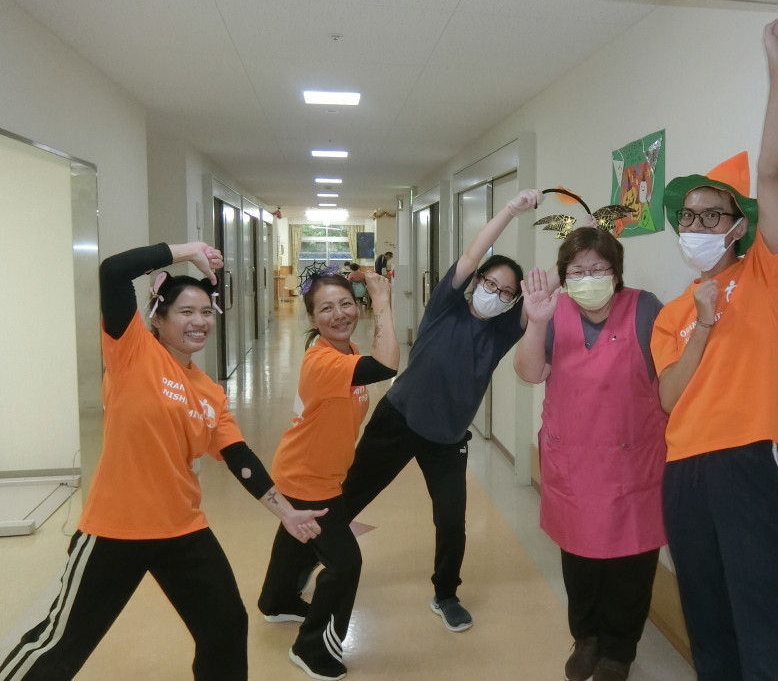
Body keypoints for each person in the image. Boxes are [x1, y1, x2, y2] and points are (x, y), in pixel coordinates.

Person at [0, 241, 326, 681]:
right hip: (116, 529)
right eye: (186, 311)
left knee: (226, 625)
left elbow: (239, 457)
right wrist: (189, 251)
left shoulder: (209, 391)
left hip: (182, 528)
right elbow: (113, 271)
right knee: (61, 645)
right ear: (157, 316)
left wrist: (286, 512)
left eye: (206, 312)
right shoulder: (132, 350)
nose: (199, 321)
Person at [650, 19, 778, 679]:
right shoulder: (674, 312)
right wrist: (706, 326)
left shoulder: (763, 273)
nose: (696, 224)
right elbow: (668, 397)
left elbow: (771, 173)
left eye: (712, 214)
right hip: (683, 469)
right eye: (688, 215)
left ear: (739, 225)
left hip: (746, 458)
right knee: (706, 621)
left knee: (759, 623)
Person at [340, 189, 544, 632]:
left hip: (447, 440)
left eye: (506, 292)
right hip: (398, 419)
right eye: (490, 284)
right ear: (477, 281)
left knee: (452, 521)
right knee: (351, 496)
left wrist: (582, 252)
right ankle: (307, 558)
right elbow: (472, 254)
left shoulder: (503, 331)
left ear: (513, 301)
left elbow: (543, 302)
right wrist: (510, 210)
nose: (495, 294)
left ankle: (446, 593)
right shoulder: (446, 305)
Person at [513, 227, 667, 681]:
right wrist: (535, 321)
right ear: (564, 277)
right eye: (577, 271)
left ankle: (619, 650)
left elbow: (672, 378)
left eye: (599, 269)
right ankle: (586, 638)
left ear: (616, 274)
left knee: (630, 564)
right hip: (574, 462)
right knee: (579, 560)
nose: (589, 278)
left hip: (632, 461)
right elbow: (529, 372)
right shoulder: (553, 311)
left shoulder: (645, 309)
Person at [258, 268, 398, 681]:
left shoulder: (346, 350)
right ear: (311, 317)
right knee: (345, 564)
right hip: (309, 477)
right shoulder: (323, 360)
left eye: (346, 304)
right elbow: (386, 365)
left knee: (296, 540)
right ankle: (312, 647)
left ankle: (277, 601)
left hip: (309, 469)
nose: (339, 314)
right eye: (326, 308)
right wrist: (382, 302)